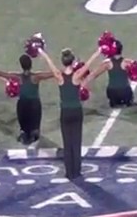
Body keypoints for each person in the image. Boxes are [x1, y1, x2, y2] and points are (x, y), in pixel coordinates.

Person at [38, 46, 100, 179]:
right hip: (76, 111)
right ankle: (77, 171)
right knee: (76, 141)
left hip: (65, 112)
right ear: (73, 63)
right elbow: (90, 63)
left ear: (63, 62)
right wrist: (99, 51)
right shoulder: (77, 76)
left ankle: (69, 172)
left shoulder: (59, 76)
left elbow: (50, 64)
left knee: (67, 142)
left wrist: (42, 52)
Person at [0, 55, 53, 144]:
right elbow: (52, 74)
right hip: (34, 105)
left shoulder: (18, 77)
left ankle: (24, 132)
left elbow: (1, 73)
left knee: (23, 119)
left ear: (21, 65)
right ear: (31, 65)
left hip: (23, 104)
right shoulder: (36, 77)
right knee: (35, 124)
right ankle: (34, 132)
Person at [88, 40, 137, 108]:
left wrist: (82, 85)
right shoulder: (127, 62)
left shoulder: (107, 63)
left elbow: (93, 75)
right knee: (130, 100)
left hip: (112, 93)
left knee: (113, 102)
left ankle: (114, 102)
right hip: (125, 92)